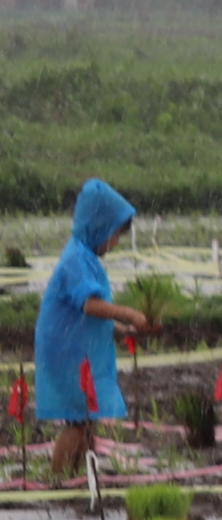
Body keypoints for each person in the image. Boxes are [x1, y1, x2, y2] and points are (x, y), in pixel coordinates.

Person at [31, 179, 151, 482]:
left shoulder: (84, 256)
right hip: (66, 352)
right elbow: (89, 306)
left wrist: (120, 328)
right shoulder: (77, 259)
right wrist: (129, 313)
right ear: (98, 226)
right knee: (78, 421)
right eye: (114, 234)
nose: (116, 242)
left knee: (86, 419)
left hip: (73, 348)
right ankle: (57, 480)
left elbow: (90, 314)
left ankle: (72, 478)